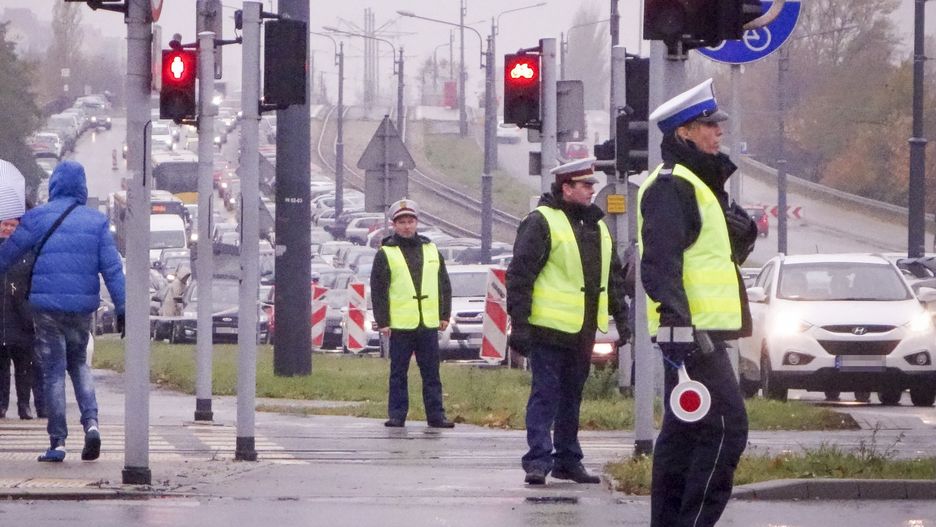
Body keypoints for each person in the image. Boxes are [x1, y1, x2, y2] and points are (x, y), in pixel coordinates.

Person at [637, 78, 757, 527]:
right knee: (727, 428)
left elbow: (709, 258)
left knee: (684, 435)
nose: (718, 131)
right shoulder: (672, 185)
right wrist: (678, 324)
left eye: (717, 124)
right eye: (708, 125)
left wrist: (743, 236)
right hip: (692, 334)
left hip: (700, 331)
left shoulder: (698, 183)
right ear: (684, 133)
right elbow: (660, 261)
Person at [506, 157, 631, 486]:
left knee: (571, 397)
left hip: (582, 329)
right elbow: (520, 275)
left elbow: (612, 279)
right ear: (566, 188)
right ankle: (538, 461)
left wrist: (623, 320)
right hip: (548, 328)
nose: (591, 190)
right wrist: (519, 325)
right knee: (545, 395)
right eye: (585, 185)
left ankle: (567, 460)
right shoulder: (541, 222)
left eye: (592, 185)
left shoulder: (598, 227)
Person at [0, 160, 125, 462]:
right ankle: (91, 424)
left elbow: (7, 255)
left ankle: (58, 443)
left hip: (46, 309)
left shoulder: (38, 218)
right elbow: (113, 270)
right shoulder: (96, 223)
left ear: (54, 185)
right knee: (79, 365)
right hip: (81, 310)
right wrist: (123, 308)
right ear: (82, 187)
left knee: (54, 372)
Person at [369, 199, 455, 429]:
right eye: (402, 222)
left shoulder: (431, 249)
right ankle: (397, 415)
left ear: (417, 223)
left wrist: (444, 314)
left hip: (427, 322)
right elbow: (379, 290)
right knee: (398, 372)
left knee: (431, 372)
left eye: (410, 221)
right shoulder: (386, 253)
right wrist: (383, 321)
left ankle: (436, 415)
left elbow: (444, 284)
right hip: (401, 324)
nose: (407, 226)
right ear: (394, 225)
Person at [0, 216, 37, 419]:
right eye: (5, 224)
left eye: (12, 225)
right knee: (1, 368)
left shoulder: (27, 253)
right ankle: (1, 405)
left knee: (24, 367)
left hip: (22, 320)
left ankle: (24, 405)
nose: (8, 228)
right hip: (2, 319)